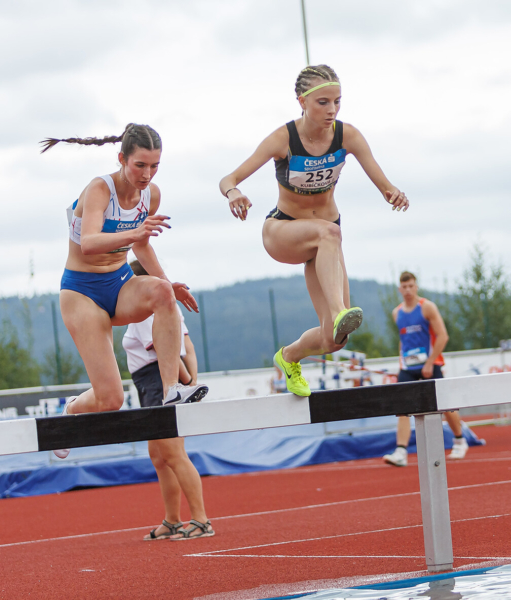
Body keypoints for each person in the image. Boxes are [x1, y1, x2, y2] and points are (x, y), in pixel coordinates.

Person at [219, 65, 409, 397]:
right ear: (301, 102)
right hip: (283, 231)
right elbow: (228, 179)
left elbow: (385, 185)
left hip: (323, 243)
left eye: (337, 101)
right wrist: (234, 194)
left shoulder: (347, 136)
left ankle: (289, 357)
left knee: (334, 340)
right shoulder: (283, 139)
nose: (332, 110)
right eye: (323, 102)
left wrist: (395, 193)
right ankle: (340, 313)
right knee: (330, 235)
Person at [40, 124, 208, 460]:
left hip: (119, 283)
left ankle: (172, 390)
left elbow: (142, 245)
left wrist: (168, 283)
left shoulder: (151, 194)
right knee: (110, 400)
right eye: (140, 165)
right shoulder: (100, 189)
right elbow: (88, 243)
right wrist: (134, 231)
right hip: (82, 291)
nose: (147, 174)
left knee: (161, 292)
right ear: (122, 159)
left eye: (155, 166)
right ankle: (70, 410)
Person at [122, 260, 214, 541]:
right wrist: (191, 380)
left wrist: (184, 381)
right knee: (160, 456)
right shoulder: (166, 308)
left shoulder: (145, 311)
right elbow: (187, 345)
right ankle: (173, 520)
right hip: (155, 382)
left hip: (156, 381)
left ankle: (201, 519)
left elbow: (165, 352)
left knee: (172, 454)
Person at [383, 271, 468, 467]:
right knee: (402, 407)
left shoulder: (427, 307)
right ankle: (401, 451)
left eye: (411, 286)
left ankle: (460, 440)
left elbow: (442, 336)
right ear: (399, 289)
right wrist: (401, 364)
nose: (408, 290)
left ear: (416, 286)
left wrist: (429, 362)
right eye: (404, 287)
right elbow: (403, 341)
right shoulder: (397, 313)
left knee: (444, 404)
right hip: (408, 366)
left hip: (431, 363)